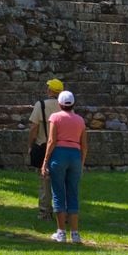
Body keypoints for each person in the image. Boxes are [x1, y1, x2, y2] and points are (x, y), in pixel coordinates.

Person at [41, 89, 88, 244]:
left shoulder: (55, 117)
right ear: (73, 103)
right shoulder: (80, 120)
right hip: (75, 154)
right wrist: (81, 162)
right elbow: (84, 145)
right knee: (73, 193)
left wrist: (45, 161)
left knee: (58, 192)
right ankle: (75, 233)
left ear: (59, 104)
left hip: (59, 154)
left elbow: (52, 140)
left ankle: (61, 232)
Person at [28, 77, 64, 219]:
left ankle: (44, 212)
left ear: (49, 90)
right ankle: (62, 212)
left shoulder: (41, 105)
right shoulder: (64, 106)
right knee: (61, 181)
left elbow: (34, 128)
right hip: (61, 147)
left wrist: (30, 144)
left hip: (43, 145)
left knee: (44, 180)